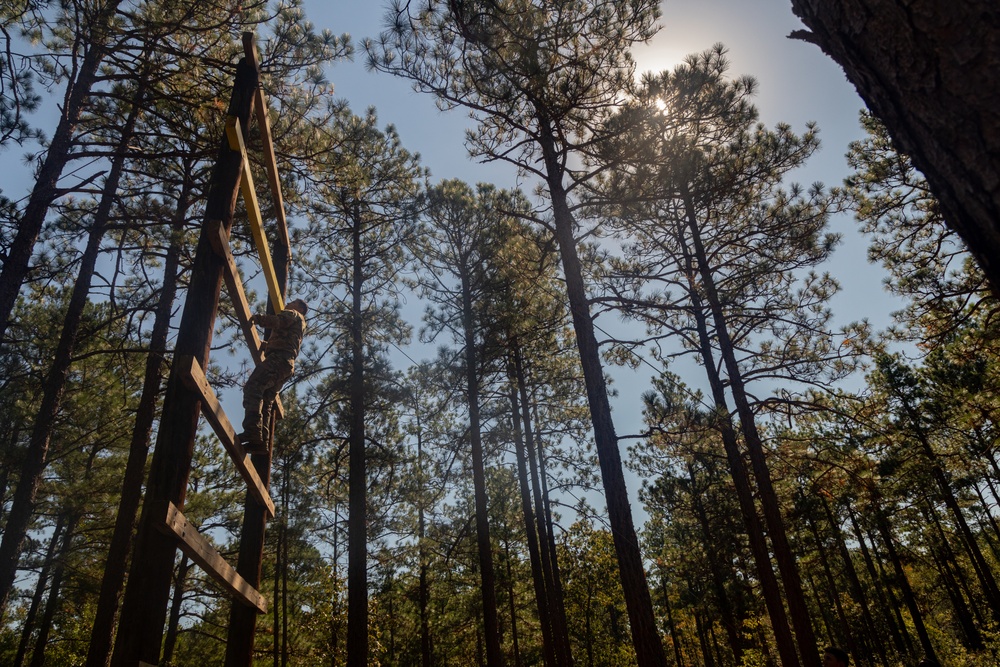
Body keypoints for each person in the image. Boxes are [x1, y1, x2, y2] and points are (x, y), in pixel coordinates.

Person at [239, 298, 308, 453]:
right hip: (285, 365)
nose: (289, 303)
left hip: (278, 360)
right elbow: (285, 339)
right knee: (266, 399)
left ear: (300, 308)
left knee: (253, 387)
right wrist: (266, 345)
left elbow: (278, 321)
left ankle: (252, 431)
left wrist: (258, 319)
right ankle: (261, 441)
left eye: (294, 302)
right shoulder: (299, 325)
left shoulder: (294, 314)